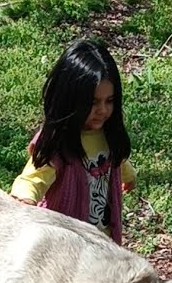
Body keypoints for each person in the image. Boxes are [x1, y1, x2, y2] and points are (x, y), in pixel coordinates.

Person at [11, 39, 135, 245]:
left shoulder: (109, 132)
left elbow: (116, 160)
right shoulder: (58, 144)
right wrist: (24, 198)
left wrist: (129, 175)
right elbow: (34, 176)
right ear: (70, 100)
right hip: (65, 244)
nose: (103, 110)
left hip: (103, 240)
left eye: (109, 101)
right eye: (93, 102)